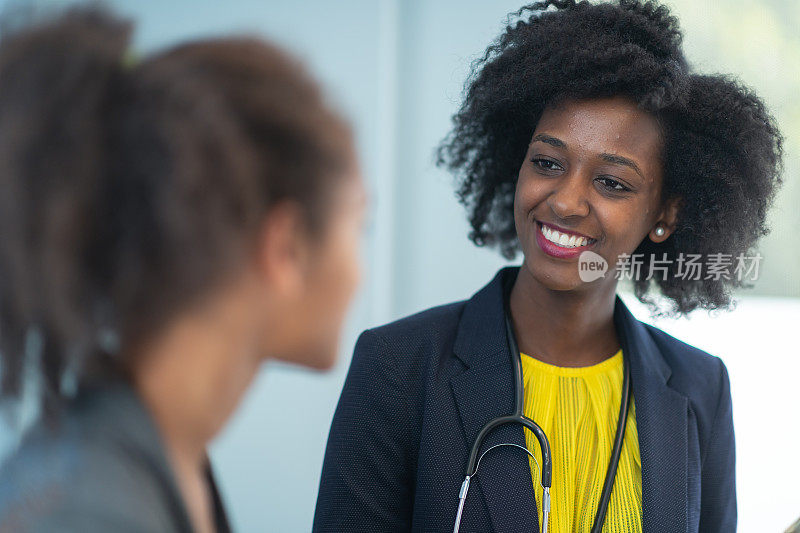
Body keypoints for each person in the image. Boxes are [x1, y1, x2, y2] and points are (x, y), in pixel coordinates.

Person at [313, 1, 782, 532]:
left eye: (612, 182)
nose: (565, 202)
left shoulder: (701, 388)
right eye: (548, 163)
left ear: (665, 215)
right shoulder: (399, 365)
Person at [0, 6, 366, 532]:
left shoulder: (170, 459)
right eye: (359, 223)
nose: (359, 270)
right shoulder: (89, 513)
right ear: (285, 247)